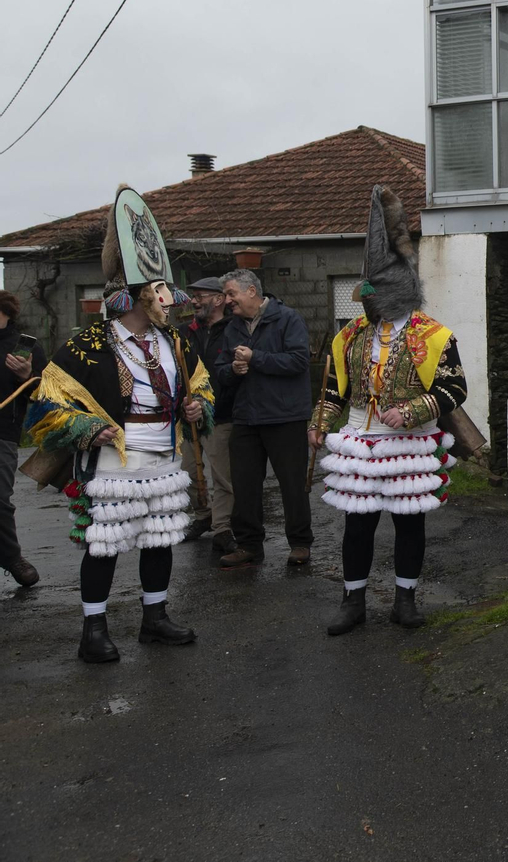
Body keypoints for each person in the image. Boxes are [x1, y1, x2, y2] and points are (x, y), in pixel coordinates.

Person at [23, 187, 212, 661]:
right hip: (113, 460)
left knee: (159, 540)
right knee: (104, 545)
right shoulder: (88, 345)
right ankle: (93, 631)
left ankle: (155, 618)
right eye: (159, 292)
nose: (169, 301)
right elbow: (46, 404)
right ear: (136, 297)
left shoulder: (176, 342)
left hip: (164, 455)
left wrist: (197, 408)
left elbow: (203, 387)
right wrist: (87, 428)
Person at [315, 185, 469, 635]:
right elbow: (334, 387)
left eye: (374, 291)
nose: (365, 299)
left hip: (410, 441)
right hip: (360, 439)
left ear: (396, 290)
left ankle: (405, 600)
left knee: (409, 525)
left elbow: (455, 389)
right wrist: (320, 423)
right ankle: (353, 602)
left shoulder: (434, 335)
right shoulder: (351, 335)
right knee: (357, 526)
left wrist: (412, 411)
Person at [214, 269, 313, 567]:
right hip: (246, 417)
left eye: (231, 294)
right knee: (244, 485)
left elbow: (299, 361)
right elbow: (219, 370)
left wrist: (255, 358)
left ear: (251, 292)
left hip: (285, 416)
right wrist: (233, 370)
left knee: (292, 484)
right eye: (226, 295)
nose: (227, 300)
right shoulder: (232, 327)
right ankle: (248, 545)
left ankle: (300, 543)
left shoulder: (288, 319)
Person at [178, 277, 239, 553]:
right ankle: (203, 516)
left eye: (199, 296)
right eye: (193, 296)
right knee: (189, 474)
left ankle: (222, 527)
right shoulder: (184, 332)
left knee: (222, 477)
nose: (194, 301)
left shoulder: (234, 329)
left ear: (218, 299)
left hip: (222, 415)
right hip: (189, 415)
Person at [0, 290, 46, 588]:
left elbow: (43, 394)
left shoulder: (25, 346)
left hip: (2, 432)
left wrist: (26, 376)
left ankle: (11, 557)